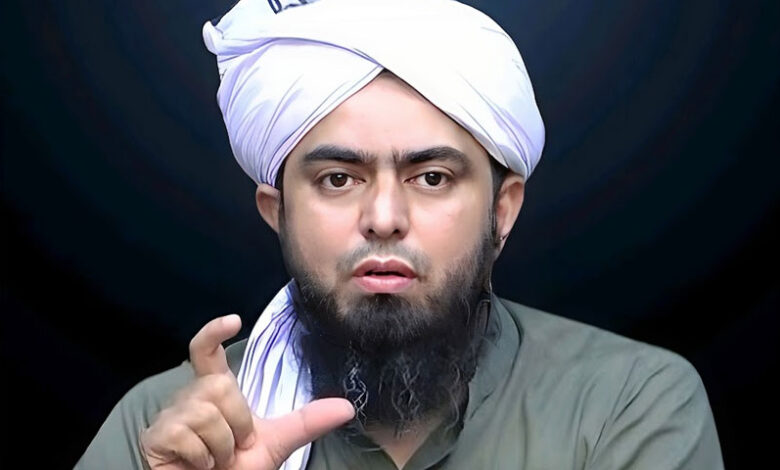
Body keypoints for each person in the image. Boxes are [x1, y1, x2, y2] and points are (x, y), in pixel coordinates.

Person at [77, 0, 724, 469]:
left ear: (503, 210)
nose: (384, 216)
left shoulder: (626, 403)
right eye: (338, 179)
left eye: (432, 177)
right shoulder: (166, 431)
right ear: (278, 212)